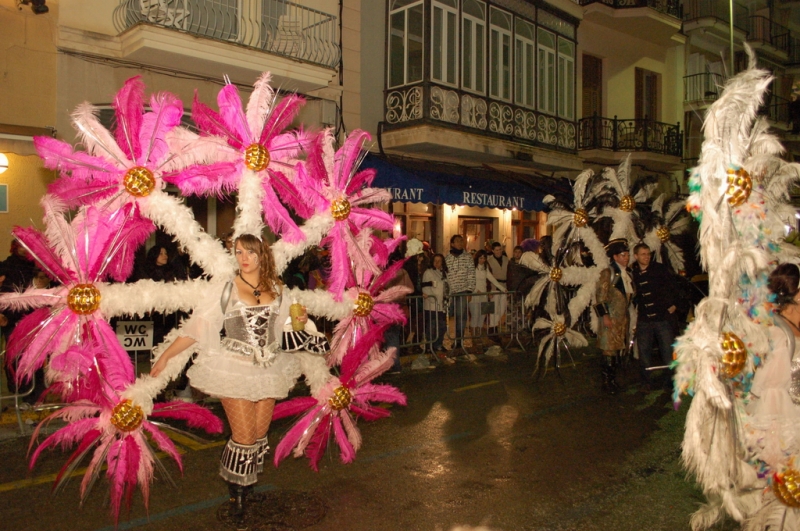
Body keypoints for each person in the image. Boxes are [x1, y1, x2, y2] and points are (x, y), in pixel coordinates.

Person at [150, 234, 329, 522]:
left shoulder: (278, 289)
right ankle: (237, 493)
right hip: (233, 367)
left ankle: (247, 483)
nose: (243, 258)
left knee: (257, 435)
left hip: (269, 368)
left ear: (262, 255)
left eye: (250, 252)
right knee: (244, 437)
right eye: (239, 252)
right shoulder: (227, 288)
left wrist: (298, 323)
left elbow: (288, 326)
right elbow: (198, 326)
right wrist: (167, 356)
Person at [631, 243, 679, 392]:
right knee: (644, 352)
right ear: (636, 256)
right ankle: (645, 382)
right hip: (644, 319)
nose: (646, 257)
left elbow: (675, 286)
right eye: (643, 254)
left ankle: (671, 382)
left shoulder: (660, 269)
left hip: (661, 317)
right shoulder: (633, 273)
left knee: (667, 351)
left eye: (648, 254)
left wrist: (674, 304)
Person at [594, 239, 634, 394]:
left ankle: (613, 380)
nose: (626, 258)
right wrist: (605, 316)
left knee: (617, 350)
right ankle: (607, 382)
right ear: (615, 257)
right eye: (623, 255)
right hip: (610, 319)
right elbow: (600, 297)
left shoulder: (627, 274)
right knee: (608, 351)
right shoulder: (608, 273)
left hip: (622, 320)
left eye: (627, 255)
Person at [469, 250, 506, 352]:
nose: (482, 260)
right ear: (477, 258)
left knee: (482, 316)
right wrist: (475, 290)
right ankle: (474, 337)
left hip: (484, 295)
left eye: (484, 258)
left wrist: (502, 289)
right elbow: (469, 280)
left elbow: (492, 279)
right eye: (480, 258)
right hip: (475, 295)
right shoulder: (472, 268)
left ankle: (479, 336)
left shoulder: (485, 268)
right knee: (475, 316)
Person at [445, 234, 476, 351]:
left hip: (463, 291)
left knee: (461, 317)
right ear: (452, 244)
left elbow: (471, 274)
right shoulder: (447, 258)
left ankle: (459, 341)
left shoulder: (468, 257)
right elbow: (444, 275)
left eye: (461, 241)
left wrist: (469, 290)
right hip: (450, 292)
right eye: (457, 241)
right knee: (447, 316)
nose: (460, 243)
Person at [422, 253, 451, 363]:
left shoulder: (444, 273)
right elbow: (425, 288)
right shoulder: (428, 272)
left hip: (442, 305)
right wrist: (432, 299)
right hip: (432, 305)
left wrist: (448, 299)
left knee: (442, 326)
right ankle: (430, 346)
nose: (437, 263)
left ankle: (438, 344)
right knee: (432, 326)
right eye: (435, 261)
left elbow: (448, 287)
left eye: (439, 261)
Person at [486, 242, 509, 339]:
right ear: (493, 251)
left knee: (502, 309)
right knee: (494, 309)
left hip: (504, 286)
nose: (498, 252)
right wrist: (488, 291)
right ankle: (493, 328)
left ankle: (493, 326)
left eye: (500, 250)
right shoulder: (489, 261)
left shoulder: (506, 260)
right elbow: (488, 277)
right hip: (494, 287)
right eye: (496, 250)